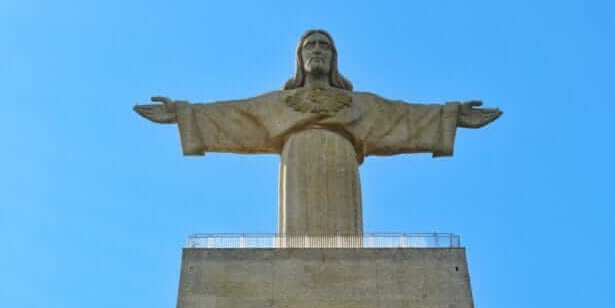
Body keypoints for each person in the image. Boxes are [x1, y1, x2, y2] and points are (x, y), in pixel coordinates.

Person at [134, 29, 501, 235]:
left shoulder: (359, 104)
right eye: (311, 46)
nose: (318, 51)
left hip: (341, 160)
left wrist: (450, 117)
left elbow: (402, 117)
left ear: (334, 56)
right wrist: (183, 114)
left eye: (325, 46)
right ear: (300, 57)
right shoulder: (278, 104)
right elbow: (235, 116)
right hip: (298, 160)